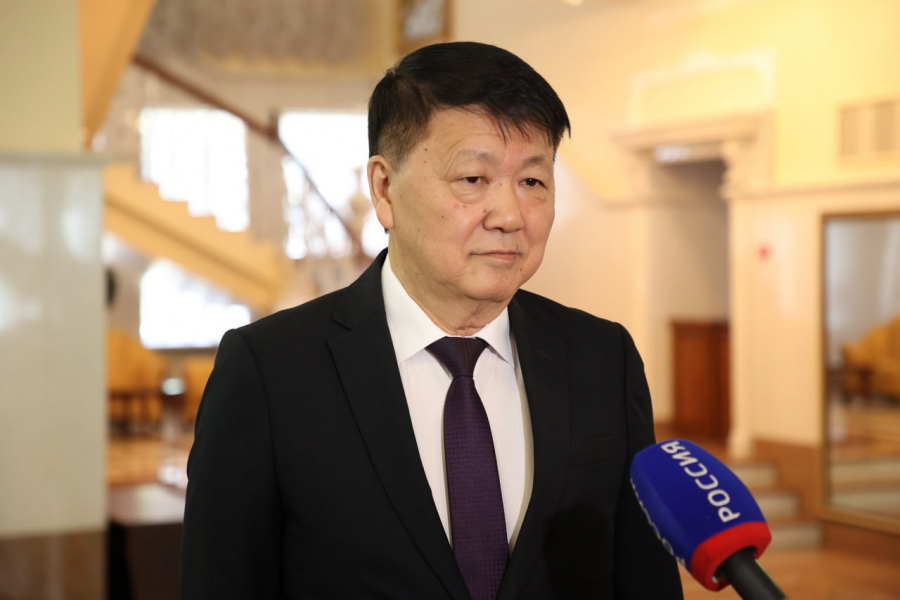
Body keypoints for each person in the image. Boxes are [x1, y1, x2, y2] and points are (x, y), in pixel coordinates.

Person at [181, 41, 684, 599]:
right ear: (384, 189)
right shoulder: (270, 372)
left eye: (532, 182)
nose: (510, 216)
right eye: (473, 179)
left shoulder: (601, 357)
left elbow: (644, 579)